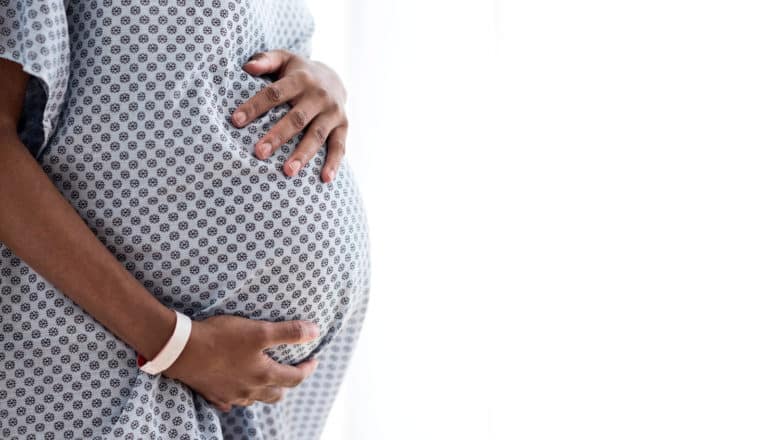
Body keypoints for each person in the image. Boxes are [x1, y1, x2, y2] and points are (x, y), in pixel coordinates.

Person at [0, 1, 371, 439]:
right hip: (93, 352)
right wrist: (173, 345)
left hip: (231, 388)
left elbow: (247, 57)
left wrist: (323, 81)